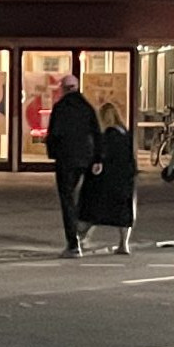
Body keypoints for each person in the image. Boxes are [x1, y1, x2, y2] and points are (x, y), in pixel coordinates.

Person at [45, 73, 102, 256]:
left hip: (66, 159)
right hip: (85, 158)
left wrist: (53, 153)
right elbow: (96, 133)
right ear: (77, 88)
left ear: (62, 88)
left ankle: (73, 243)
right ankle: (82, 231)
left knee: (67, 199)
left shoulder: (60, 108)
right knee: (84, 196)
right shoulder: (87, 108)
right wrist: (97, 158)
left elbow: (54, 134)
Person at [78, 101, 137, 254]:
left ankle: (79, 239)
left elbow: (100, 157)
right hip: (124, 181)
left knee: (91, 211)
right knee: (123, 215)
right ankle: (124, 245)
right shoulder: (125, 133)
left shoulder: (107, 136)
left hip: (106, 181)